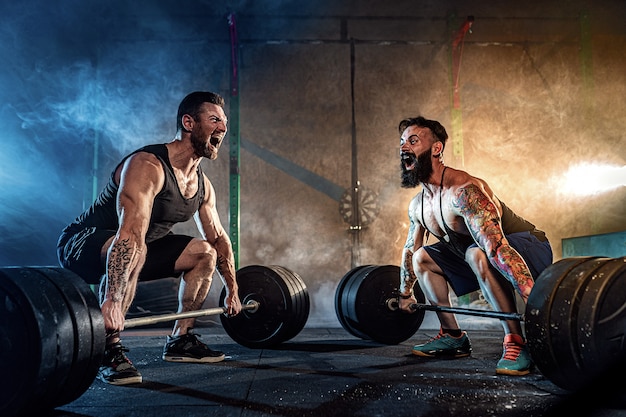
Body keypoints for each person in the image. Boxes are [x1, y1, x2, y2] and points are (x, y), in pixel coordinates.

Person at [57, 91, 243, 386]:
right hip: (83, 243)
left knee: (205, 253)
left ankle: (181, 340)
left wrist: (233, 290)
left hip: (138, 247)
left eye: (224, 122)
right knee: (137, 248)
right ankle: (110, 348)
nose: (223, 127)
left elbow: (219, 238)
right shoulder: (148, 165)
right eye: (214, 120)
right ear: (189, 123)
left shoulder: (202, 185)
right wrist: (112, 301)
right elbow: (129, 233)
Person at [396, 116, 553, 376]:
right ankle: (453, 335)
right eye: (402, 142)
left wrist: (534, 299)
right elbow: (411, 249)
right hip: (476, 254)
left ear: (436, 149)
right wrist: (404, 294)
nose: (404, 148)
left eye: (413, 141)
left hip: (526, 245)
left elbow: (495, 248)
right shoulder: (418, 204)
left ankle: (515, 342)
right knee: (422, 258)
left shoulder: (463, 191)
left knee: (477, 252)